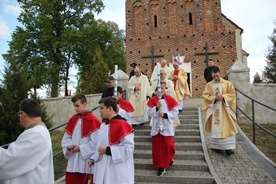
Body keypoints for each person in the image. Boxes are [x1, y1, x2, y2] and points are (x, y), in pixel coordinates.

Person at [0, 99, 54, 184]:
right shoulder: (39, 131)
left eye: (19, 114)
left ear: (23, 114)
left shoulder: (36, 134)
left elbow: (11, 160)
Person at [88, 97, 135, 184]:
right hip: (103, 166)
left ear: (110, 108)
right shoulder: (104, 125)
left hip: (116, 170)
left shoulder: (123, 125)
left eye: (102, 108)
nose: (100, 111)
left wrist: (108, 150)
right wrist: (93, 158)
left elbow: (128, 148)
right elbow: (98, 145)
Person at [61, 94, 101, 184]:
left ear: (84, 104)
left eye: (77, 105)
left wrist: (80, 148)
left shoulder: (93, 121)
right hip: (73, 160)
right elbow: (66, 139)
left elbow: (96, 143)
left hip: (86, 161)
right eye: (74, 106)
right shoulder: (73, 119)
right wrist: (67, 148)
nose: (75, 108)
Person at [202, 67, 238, 155]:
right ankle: (216, 146)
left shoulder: (227, 83)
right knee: (215, 127)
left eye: (217, 76)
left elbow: (232, 94)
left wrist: (224, 97)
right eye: (214, 76)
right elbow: (206, 95)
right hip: (214, 109)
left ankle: (228, 148)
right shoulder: (209, 85)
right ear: (211, 75)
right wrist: (214, 98)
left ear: (220, 74)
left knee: (227, 126)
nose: (216, 78)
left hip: (225, 109)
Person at [147, 82, 179, 176]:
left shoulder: (169, 99)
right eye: (159, 89)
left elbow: (175, 111)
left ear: (165, 89)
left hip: (166, 125)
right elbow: (148, 112)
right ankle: (161, 166)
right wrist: (156, 108)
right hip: (157, 126)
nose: (160, 90)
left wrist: (165, 115)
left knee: (169, 145)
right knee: (158, 148)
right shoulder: (154, 99)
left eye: (162, 88)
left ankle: (169, 159)